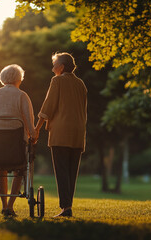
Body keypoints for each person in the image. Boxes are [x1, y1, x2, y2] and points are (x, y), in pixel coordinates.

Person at [34, 52, 87, 217]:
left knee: (62, 170)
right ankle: (67, 206)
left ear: (62, 67)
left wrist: (36, 129)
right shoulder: (81, 84)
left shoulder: (57, 80)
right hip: (78, 132)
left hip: (61, 132)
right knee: (72, 171)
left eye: (54, 65)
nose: (52, 68)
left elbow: (48, 106)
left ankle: (66, 208)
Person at [0, 64, 37, 217]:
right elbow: (29, 121)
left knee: (1, 170)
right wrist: (33, 136)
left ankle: (4, 204)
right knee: (20, 169)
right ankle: (10, 207)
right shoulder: (22, 95)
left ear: (3, 78)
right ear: (19, 78)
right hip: (16, 147)